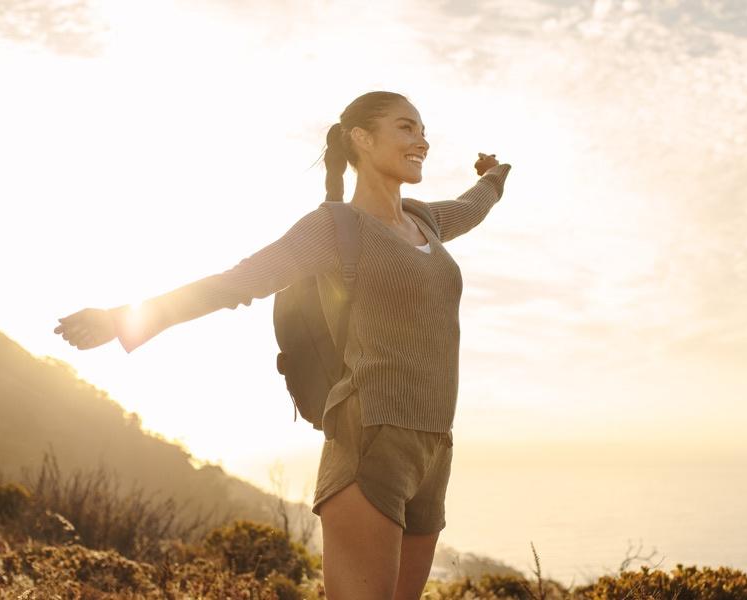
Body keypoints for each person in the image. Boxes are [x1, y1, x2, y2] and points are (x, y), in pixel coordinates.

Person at [53, 90, 512, 599]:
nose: (422, 140)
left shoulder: (426, 221)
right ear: (362, 138)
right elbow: (239, 282)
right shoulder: (334, 228)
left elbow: (473, 208)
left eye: (423, 129)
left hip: (435, 444)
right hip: (369, 440)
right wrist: (124, 318)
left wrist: (493, 177)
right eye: (406, 127)